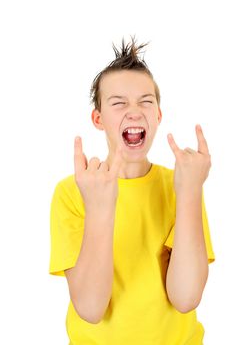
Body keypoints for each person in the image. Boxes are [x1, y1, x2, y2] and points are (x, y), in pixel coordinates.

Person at [49, 35, 215, 345]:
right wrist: (100, 209)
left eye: (146, 101)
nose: (134, 111)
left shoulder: (182, 184)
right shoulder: (72, 192)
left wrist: (190, 192)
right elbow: (90, 308)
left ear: (158, 116)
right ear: (98, 119)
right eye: (119, 103)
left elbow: (186, 297)